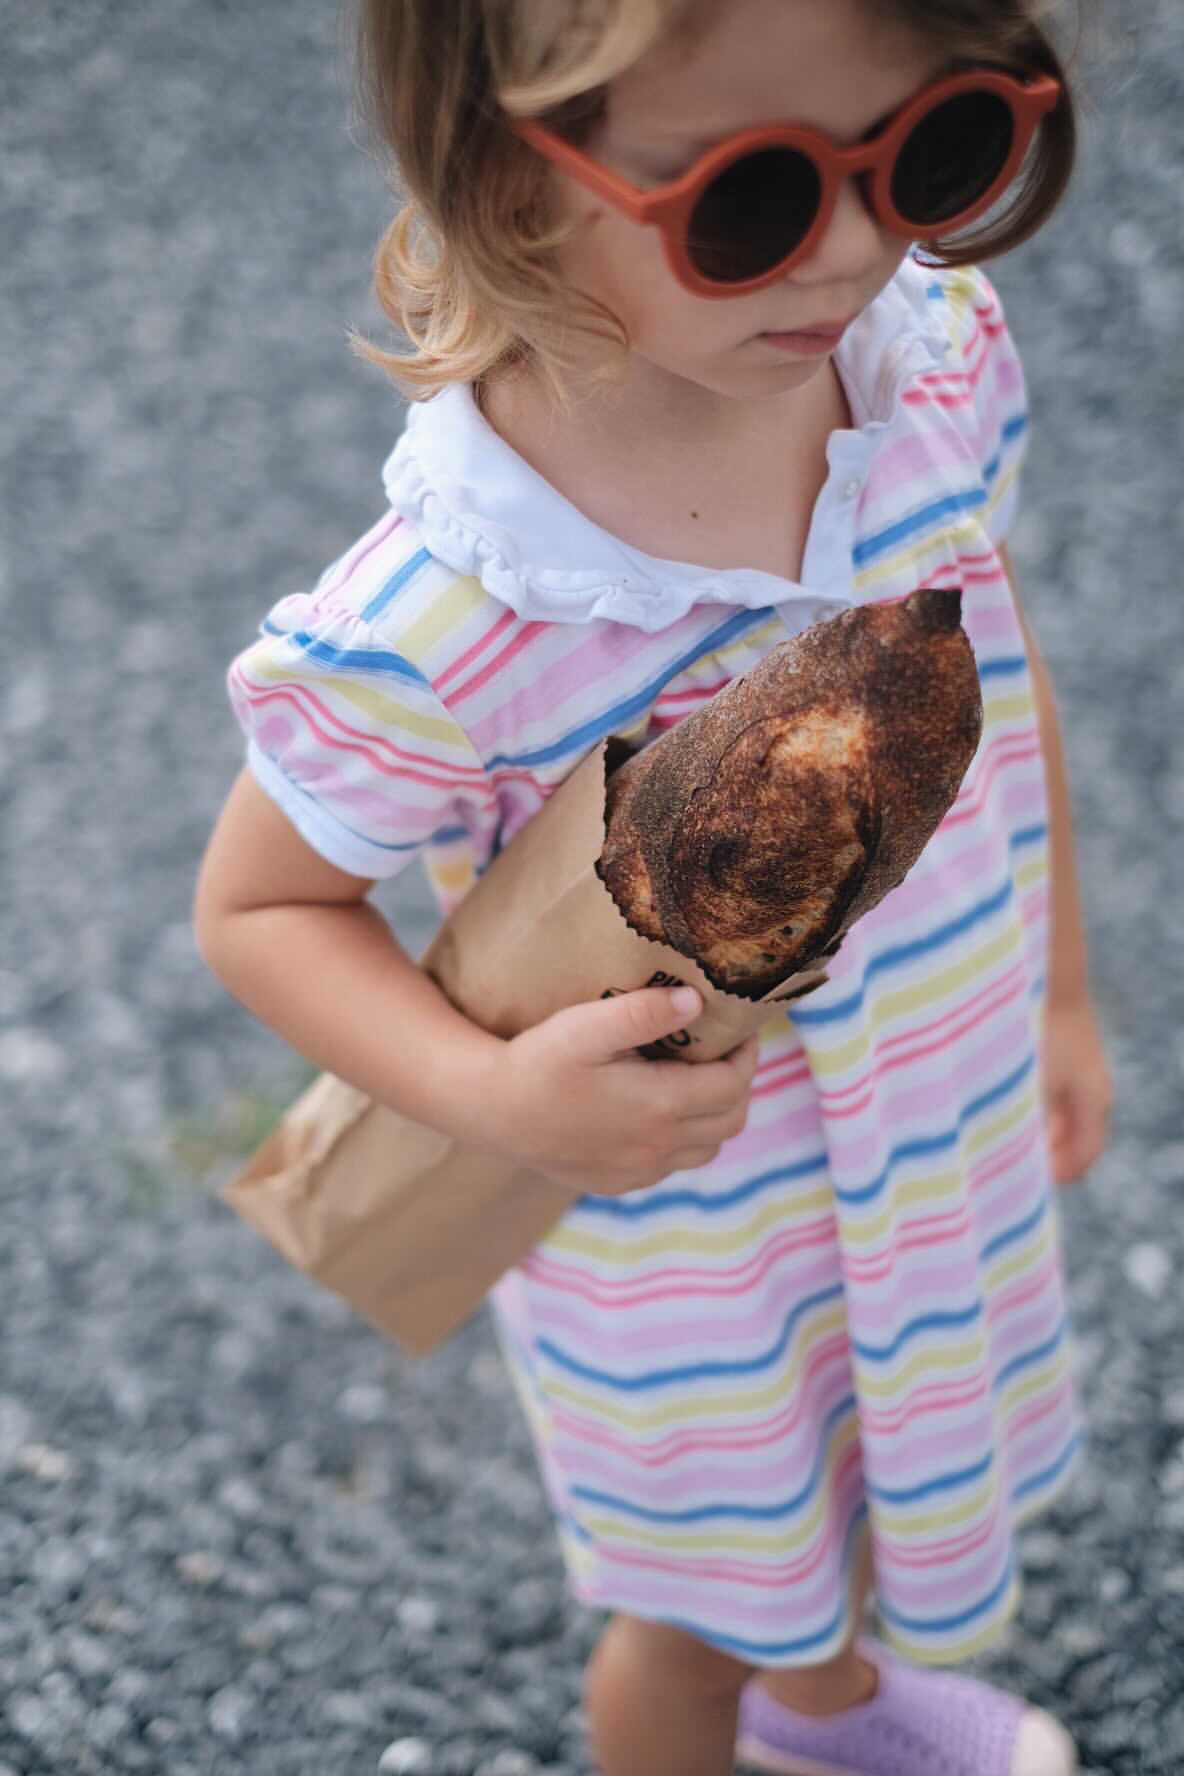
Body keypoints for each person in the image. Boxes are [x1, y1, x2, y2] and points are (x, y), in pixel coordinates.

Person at [194, 2, 1115, 1771]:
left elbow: (995, 675)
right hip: (685, 1243)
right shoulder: (451, 614)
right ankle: (753, 1711)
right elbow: (262, 910)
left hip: (934, 1127)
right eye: (751, 199)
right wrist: (492, 1098)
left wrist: (1062, 991)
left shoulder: (924, 373)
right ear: (507, 181)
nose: (855, 248)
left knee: (870, 1503)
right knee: (702, 1622)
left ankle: (830, 1715)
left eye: (932, 151)